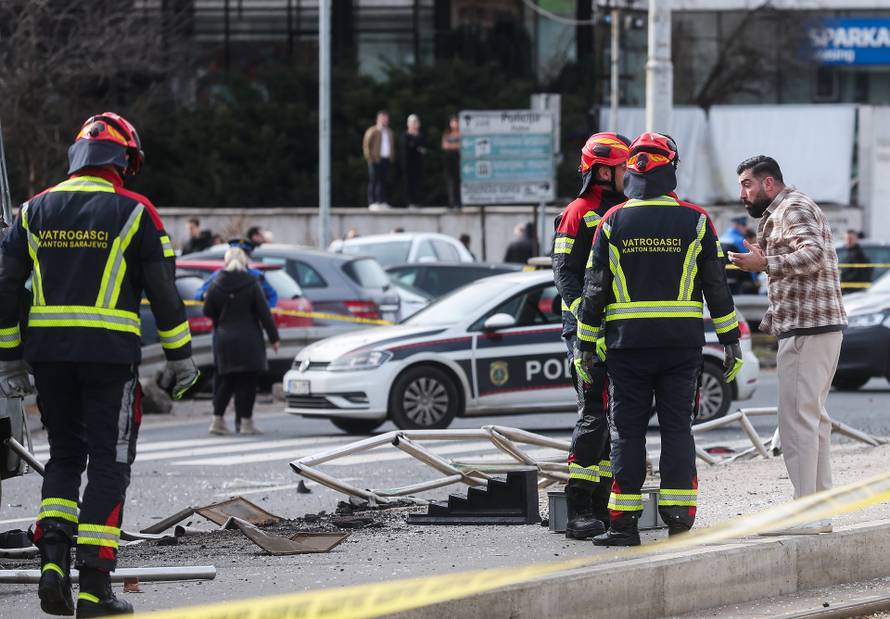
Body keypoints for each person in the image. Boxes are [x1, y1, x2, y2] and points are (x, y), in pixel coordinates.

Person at [0, 112, 199, 616]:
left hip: (48, 359)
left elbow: (4, 288)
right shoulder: (136, 212)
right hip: (109, 360)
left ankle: (51, 565)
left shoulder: (32, 211)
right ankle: (93, 588)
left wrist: (8, 358)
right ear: (124, 160)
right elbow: (163, 296)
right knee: (109, 464)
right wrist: (182, 360)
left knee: (64, 458)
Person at [577, 132, 742, 546]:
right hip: (681, 348)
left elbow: (595, 289)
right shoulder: (696, 220)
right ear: (670, 168)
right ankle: (679, 519)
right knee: (677, 430)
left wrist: (584, 344)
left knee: (627, 435)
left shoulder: (612, 222)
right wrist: (731, 340)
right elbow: (716, 286)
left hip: (626, 349)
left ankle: (623, 526)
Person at [728, 156, 846, 533]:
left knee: (796, 422)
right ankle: (818, 509)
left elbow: (812, 254)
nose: (742, 193)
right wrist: (765, 260)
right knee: (813, 421)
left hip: (808, 330)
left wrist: (764, 264)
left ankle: (805, 515)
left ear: (768, 183)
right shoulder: (791, 208)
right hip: (816, 327)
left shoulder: (791, 207)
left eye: (747, 184)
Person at [552, 132, 630, 540]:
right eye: (623, 167)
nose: (630, 173)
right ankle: (578, 508)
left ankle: (601, 505)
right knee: (593, 412)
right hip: (584, 330)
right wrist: (586, 320)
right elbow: (563, 271)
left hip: (617, 327)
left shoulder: (626, 210)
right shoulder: (578, 212)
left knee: (612, 418)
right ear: (603, 170)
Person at [203, 247, 280, 436]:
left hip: (224, 339)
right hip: (249, 339)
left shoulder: (216, 284)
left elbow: (207, 310)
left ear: (225, 262)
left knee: (225, 381)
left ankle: (217, 420)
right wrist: (274, 338)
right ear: (245, 263)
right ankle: (246, 423)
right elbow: (264, 313)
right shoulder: (252, 283)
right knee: (247, 382)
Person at [193, 239, 278, 308]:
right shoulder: (219, 275)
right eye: (234, 255)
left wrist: (262, 309)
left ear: (247, 258)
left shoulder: (256, 276)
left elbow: (272, 295)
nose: (237, 258)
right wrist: (205, 296)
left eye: (241, 255)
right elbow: (198, 294)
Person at [362, 110, 395, 209]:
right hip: (375, 159)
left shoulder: (389, 132)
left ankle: (382, 201)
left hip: (385, 159)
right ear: (378, 119)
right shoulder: (372, 131)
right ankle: (372, 202)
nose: (384, 121)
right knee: (374, 180)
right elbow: (366, 145)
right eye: (383, 118)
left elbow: (391, 146)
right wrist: (370, 158)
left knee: (383, 181)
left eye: (386, 119)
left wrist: (391, 157)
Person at [400, 114, 426, 207]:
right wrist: (416, 147)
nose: (415, 124)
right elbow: (409, 148)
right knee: (408, 184)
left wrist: (415, 146)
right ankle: (409, 202)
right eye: (412, 122)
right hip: (408, 164)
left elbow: (422, 149)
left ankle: (417, 201)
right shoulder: (405, 135)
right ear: (408, 124)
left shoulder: (421, 135)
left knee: (418, 183)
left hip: (418, 164)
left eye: (416, 122)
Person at [442, 114, 462, 209]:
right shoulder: (447, 133)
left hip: (458, 158)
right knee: (450, 181)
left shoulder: (460, 133)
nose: (454, 124)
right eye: (453, 122)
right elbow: (444, 146)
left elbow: (461, 145)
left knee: (457, 181)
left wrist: (451, 146)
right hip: (449, 159)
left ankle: (458, 202)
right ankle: (451, 202)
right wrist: (454, 145)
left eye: (456, 122)